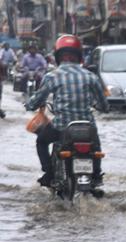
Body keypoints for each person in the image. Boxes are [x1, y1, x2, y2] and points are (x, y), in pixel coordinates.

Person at [25, 34, 109, 189]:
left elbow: (37, 99)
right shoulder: (91, 76)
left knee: (41, 142)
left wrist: (30, 105)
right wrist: (102, 108)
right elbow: (104, 104)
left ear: (58, 56)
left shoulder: (52, 76)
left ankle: (49, 173)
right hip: (87, 127)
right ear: (79, 56)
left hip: (61, 127)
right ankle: (96, 175)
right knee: (95, 148)